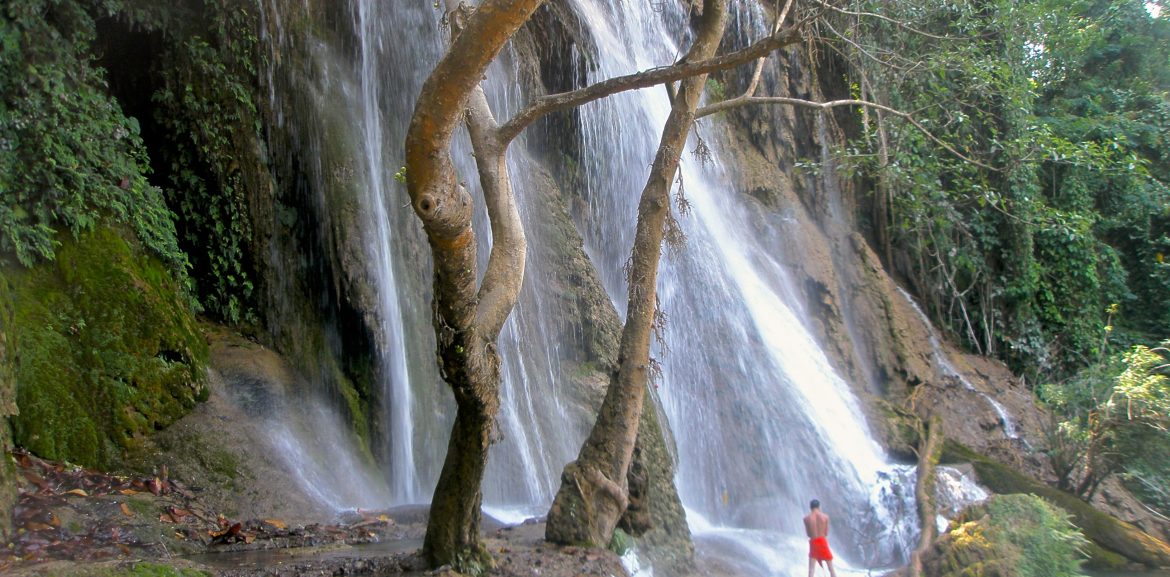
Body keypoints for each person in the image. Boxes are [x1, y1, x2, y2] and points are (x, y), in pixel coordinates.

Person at [803, 499, 838, 577]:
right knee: (831, 568)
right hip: (822, 541)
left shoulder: (806, 519)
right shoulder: (825, 517)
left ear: (810, 507)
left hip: (813, 543)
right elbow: (826, 533)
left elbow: (808, 534)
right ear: (819, 507)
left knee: (811, 569)